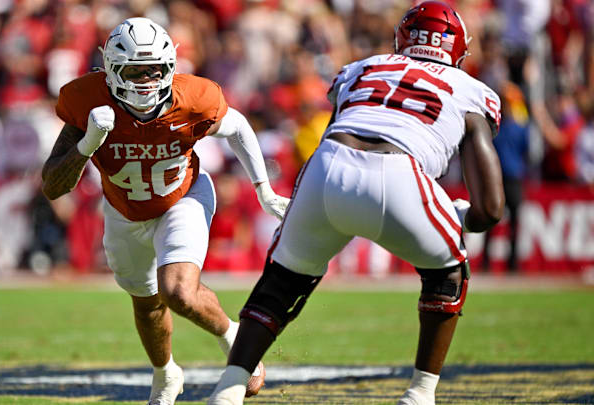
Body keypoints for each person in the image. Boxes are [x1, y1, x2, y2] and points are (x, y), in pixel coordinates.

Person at [208, 2, 505, 405]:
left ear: (401, 40)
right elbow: (490, 210)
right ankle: (420, 394)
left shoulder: (363, 67)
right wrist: (458, 217)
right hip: (400, 171)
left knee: (282, 281)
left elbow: (342, 124)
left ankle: (228, 389)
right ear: (458, 50)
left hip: (326, 165)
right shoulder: (471, 90)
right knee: (446, 273)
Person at [41, 17, 286, 405]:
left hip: (182, 197)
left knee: (178, 291)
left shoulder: (193, 96)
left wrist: (263, 190)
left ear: (170, 66)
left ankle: (234, 338)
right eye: (134, 71)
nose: (145, 80)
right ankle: (167, 373)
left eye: (154, 70)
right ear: (111, 71)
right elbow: (53, 186)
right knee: (146, 302)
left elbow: (237, 128)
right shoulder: (86, 99)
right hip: (123, 210)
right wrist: (87, 144)